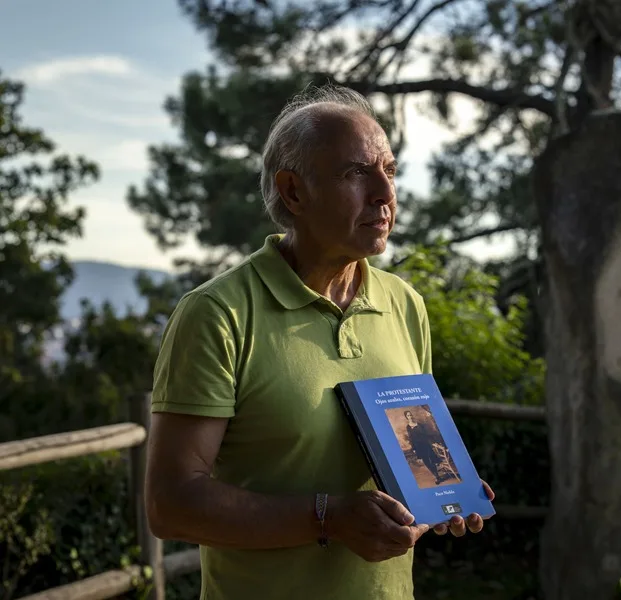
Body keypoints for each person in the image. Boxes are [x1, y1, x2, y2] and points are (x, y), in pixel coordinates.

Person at [144, 85, 495, 600]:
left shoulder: (405, 305)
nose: (385, 193)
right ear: (293, 191)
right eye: (356, 173)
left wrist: (441, 495)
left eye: (390, 170)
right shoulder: (218, 313)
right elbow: (171, 504)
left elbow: (410, 461)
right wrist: (329, 518)